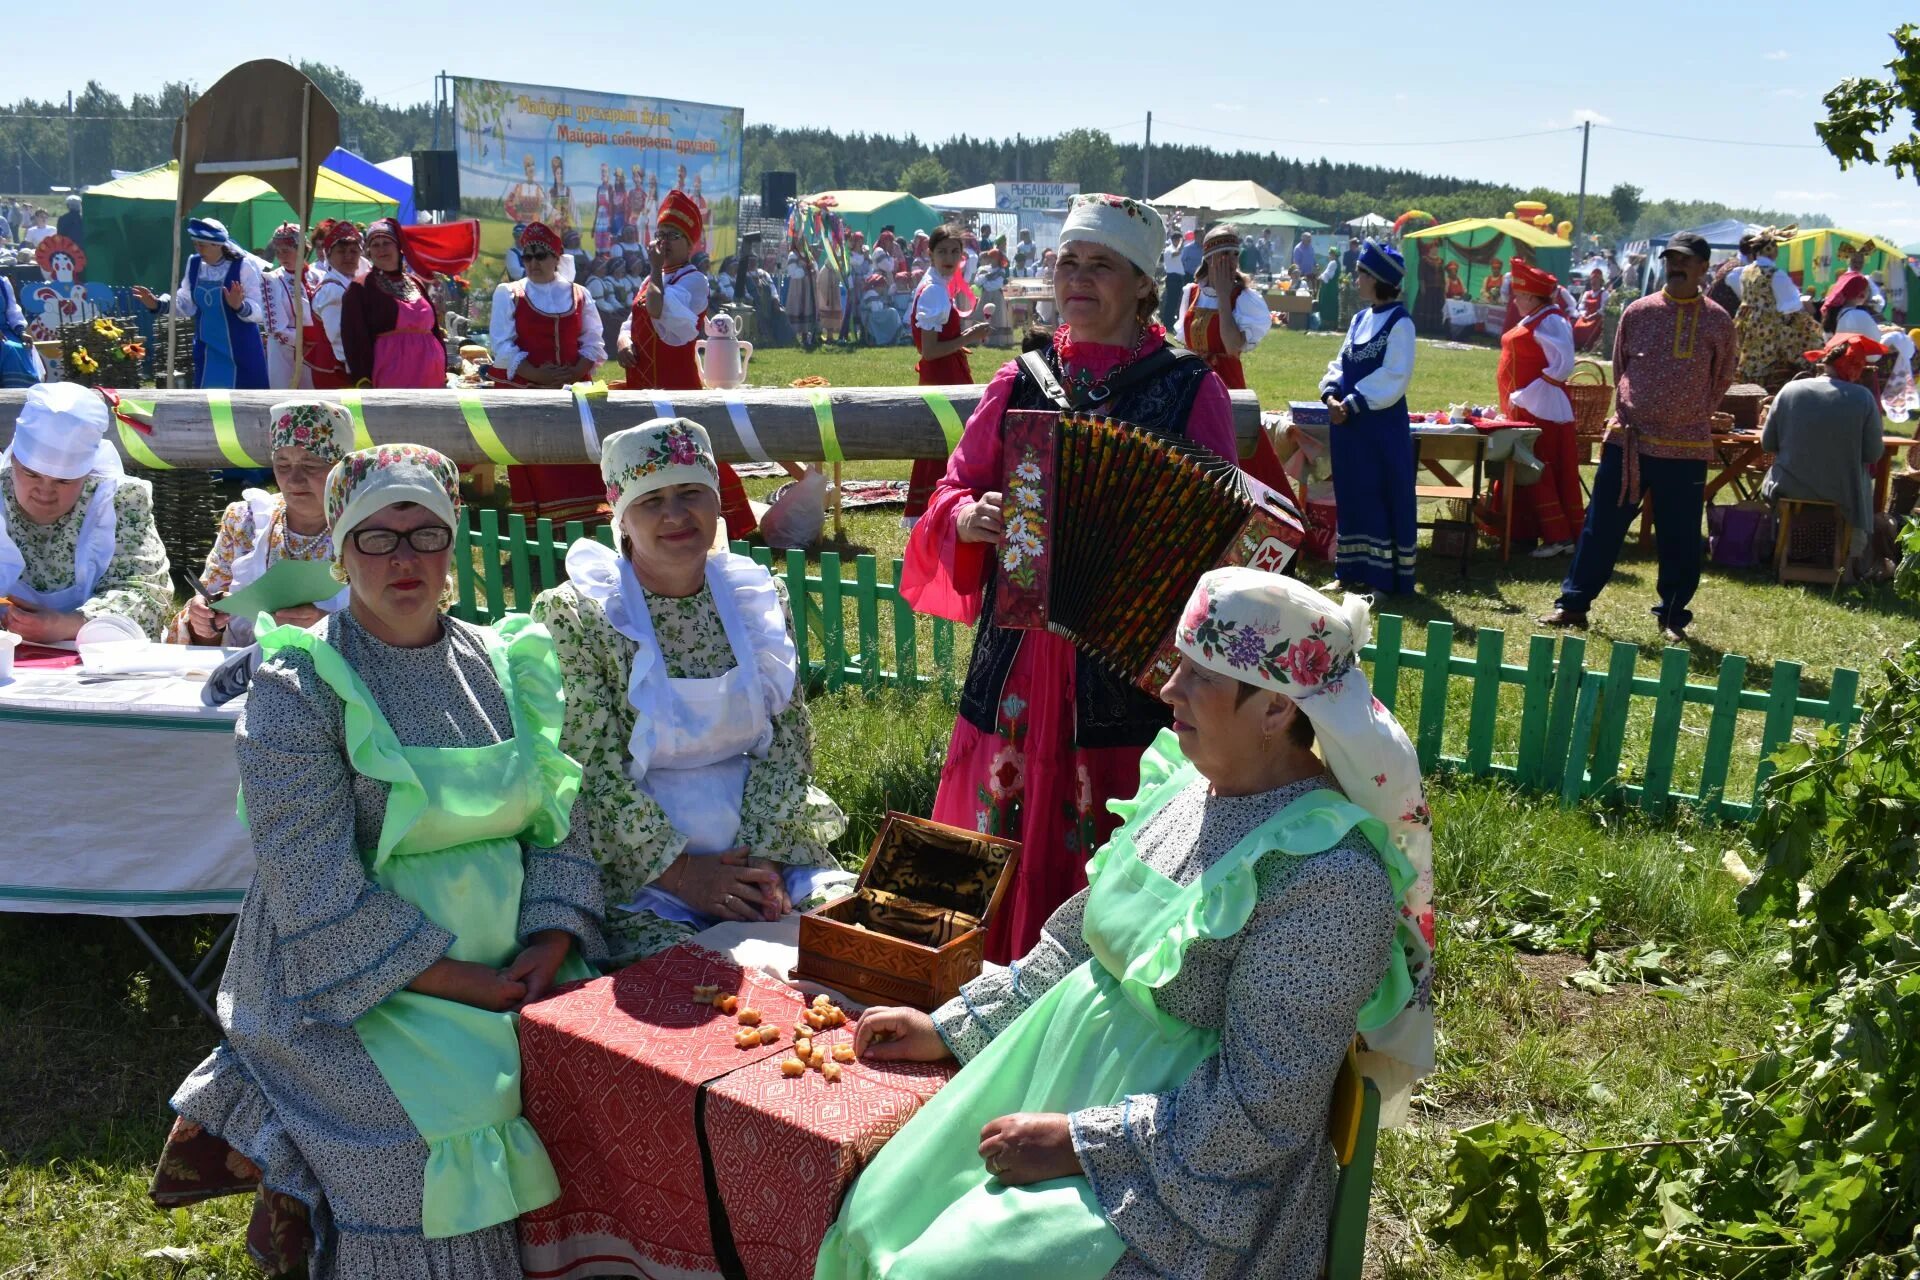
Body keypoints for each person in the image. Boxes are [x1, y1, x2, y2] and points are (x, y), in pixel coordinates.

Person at [816, 568, 1435, 1280]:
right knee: (870, 1222)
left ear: (1273, 709)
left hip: (1190, 1183)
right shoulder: (1188, 785)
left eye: (1200, 675)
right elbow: (1076, 945)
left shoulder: (1327, 873)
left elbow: (1266, 1109)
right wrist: (954, 1027)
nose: (1168, 690)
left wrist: (1081, 1144)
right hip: (1053, 1079)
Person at [153, 441, 605, 1277]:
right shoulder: (302, 684)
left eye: (425, 533)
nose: (404, 558)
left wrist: (547, 944)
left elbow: (559, 827)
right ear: (339, 551)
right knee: (429, 1145)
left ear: (454, 546)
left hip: (523, 965)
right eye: (377, 536)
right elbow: (309, 885)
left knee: (604, 1095)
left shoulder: (508, 663)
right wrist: (470, 984)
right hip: (352, 987)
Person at [901, 192, 1241, 962]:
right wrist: (969, 516)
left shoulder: (1190, 390)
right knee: (998, 819)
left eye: (1102, 265)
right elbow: (954, 489)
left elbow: (1223, 528)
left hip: (1122, 667)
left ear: (1144, 285)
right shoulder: (1020, 382)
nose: (1078, 279)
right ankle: (976, 975)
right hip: (1020, 658)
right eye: (1068, 262)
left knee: (1105, 836)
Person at [528, 419, 848, 965]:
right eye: (651, 501)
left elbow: (790, 742)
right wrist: (683, 875)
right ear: (620, 515)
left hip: (766, 849)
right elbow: (587, 771)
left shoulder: (755, 599)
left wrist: (762, 864)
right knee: (696, 984)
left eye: (690, 493)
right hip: (642, 876)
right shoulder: (580, 614)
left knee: (850, 946)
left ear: (717, 501)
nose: (676, 515)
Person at [1541, 231, 1735, 644]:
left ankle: (1672, 616)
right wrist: (1641, 408)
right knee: (1602, 526)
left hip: (1686, 446)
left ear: (1703, 268)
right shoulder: (1638, 311)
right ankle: (1573, 605)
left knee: (1680, 535)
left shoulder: (1719, 321)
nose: (1675, 266)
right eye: (1671, 259)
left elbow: (1722, 379)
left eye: (1685, 260)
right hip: (1629, 439)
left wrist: (1687, 412)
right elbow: (1620, 366)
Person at [613, 189, 757, 539]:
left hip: (674, 383)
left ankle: (727, 521)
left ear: (689, 243)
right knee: (644, 452)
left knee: (686, 453)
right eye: (659, 235)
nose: (663, 243)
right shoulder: (655, 278)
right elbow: (632, 321)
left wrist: (653, 268)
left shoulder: (692, 280)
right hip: (641, 383)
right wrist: (623, 342)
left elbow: (660, 310)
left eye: (672, 236)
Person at [167, 401, 352, 647]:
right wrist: (205, 623)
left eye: (310, 465)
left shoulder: (365, 528)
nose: (295, 480)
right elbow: (207, 616)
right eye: (283, 465)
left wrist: (327, 627)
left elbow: (395, 624)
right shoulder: (247, 520)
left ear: (340, 469)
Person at [0, 382, 171, 643]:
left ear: (87, 474)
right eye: (31, 474)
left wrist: (67, 625)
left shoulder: (119, 501)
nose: (45, 492)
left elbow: (147, 595)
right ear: (14, 461)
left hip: (95, 657)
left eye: (63, 481)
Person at [485, 221, 609, 525]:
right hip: (528, 388)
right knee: (539, 454)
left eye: (540, 255)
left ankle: (588, 513)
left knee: (577, 449)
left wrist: (576, 371)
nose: (533, 263)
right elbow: (501, 345)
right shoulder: (509, 293)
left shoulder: (579, 293)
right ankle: (542, 519)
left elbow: (593, 339)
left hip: (572, 385)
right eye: (527, 257)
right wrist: (537, 375)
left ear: (556, 257)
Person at [1320, 240, 1418, 595]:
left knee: (1377, 493)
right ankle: (1348, 570)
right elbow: (1339, 362)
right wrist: (1330, 395)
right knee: (1351, 493)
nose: (1356, 279)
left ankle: (1380, 578)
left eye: (1361, 273)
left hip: (1378, 426)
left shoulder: (1400, 323)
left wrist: (1352, 404)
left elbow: (1395, 375)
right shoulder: (1360, 319)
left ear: (1377, 278)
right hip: (1348, 426)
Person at [1761, 332, 1890, 579]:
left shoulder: (1790, 390)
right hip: (1844, 496)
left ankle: (1780, 551)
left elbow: (1768, 444)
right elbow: (1873, 453)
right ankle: (1850, 564)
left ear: (1824, 361)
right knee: (1860, 478)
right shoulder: (1862, 398)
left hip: (1789, 490)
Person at [1483, 261, 1582, 558]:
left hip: (1542, 408)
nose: (1515, 300)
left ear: (1532, 297)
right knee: (1527, 469)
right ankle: (1523, 532)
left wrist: (1525, 395)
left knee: (1536, 469)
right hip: (1529, 406)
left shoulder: (1550, 320)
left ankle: (1559, 536)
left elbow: (1562, 366)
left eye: (1520, 296)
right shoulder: (1538, 317)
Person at [905, 225, 992, 527]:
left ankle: (944, 507)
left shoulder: (939, 285)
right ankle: (934, 510)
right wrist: (968, 337)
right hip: (940, 374)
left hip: (946, 371)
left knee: (949, 439)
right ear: (930, 254)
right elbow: (929, 351)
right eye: (943, 251)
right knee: (942, 439)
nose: (949, 257)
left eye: (955, 251)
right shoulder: (933, 291)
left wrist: (967, 334)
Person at [132, 217, 269, 390]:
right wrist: (157, 303)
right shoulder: (195, 263)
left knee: (245, 402)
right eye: (195, 244)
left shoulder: (243, 266)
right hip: (208, 349)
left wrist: (239, 306)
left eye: (202, 245)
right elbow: (186, 301)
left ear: (218, 244)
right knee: (211, 404)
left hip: (241, 348)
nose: (198, 249)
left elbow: (261, 308)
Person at [342, 218, 445, 389]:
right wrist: (362, 378)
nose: (381, 249)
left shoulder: (416, 282)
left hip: (431, 373)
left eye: (386, 243)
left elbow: (434, 330)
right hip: (392, 375)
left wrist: (444, 367)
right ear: (368, 252)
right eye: (375, 244)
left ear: (398, 247)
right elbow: (353, 337)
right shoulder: (360, 287)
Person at [1734, 230, 1823, 391]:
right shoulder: (1776, 274)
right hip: (1770, 329)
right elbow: (1790, 306)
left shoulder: (1745, 272)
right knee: (1811, 340)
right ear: (1773, 250)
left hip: (1751, 326)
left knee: (1753, 361)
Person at [260, 223, 321, 391]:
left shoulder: (318, 276)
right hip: (285, 352)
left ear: (302, 249)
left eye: (286, 250)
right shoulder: (271, 280)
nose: (281, 256)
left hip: (316, 351)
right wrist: (306, 340)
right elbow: (275, 328)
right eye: (277, 251)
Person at [304, 221, 362, 390]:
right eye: (341, 252)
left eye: (353, 251)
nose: (348, 256)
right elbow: (339, 338)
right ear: (329, 255)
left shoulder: (348, 282)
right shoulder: (333, 289)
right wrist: (358, 372)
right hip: (338, 371)